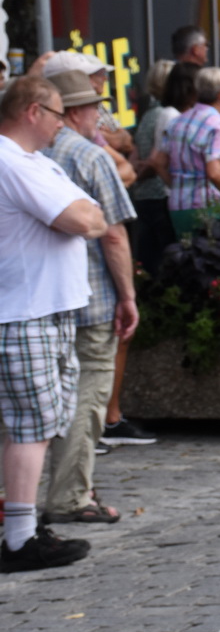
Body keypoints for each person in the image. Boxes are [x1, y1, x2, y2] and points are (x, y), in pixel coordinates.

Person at [0, 76, 106, 572]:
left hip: (43, 309)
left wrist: (84, 214)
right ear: (32, 111)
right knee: (31, 427)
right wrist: (83, 215)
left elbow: (94, 214)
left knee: (35, 424)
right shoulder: (10, 160)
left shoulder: (34, 163)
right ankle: (20, 538)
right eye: (59, 113)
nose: (64, 123)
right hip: (24, 311)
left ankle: (21, 530)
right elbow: (84, 220)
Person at [41, 71, 140, 526]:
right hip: (90, 296)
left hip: (31, 301)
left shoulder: (17, 153)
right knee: (86, 395)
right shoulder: (88, 155)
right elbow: (114, 236)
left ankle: (15, 497)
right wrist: (128, 296)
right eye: (94, 107)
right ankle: (70, 495)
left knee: (27, 402)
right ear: (78, 111)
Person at [153, 67, 220, 236]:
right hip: (208, 206)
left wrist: (178, 185)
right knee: (213, 257)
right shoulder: (217, 124)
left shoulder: (178, 121)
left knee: (185, 257)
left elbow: (158, 162)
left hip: (178, 205)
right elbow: (215, 172)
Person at [128, 60, 189, 274]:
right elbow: (156, 158)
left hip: (143, 195)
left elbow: (136, 153)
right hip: (159, 192)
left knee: (148, 258)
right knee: (165, 260)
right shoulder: (169, 115)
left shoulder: (147, 115)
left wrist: (132, 180)